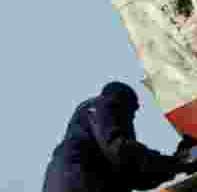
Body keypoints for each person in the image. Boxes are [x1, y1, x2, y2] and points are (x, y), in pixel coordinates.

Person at [42, 82, 189, 192]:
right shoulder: (104, 105)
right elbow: (121, 151)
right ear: (124, 101)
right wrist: (174, 163)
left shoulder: (89, 133)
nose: (133, 116)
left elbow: (134, 176)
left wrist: (172, 166)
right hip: (79, 183)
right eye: (133, 109)